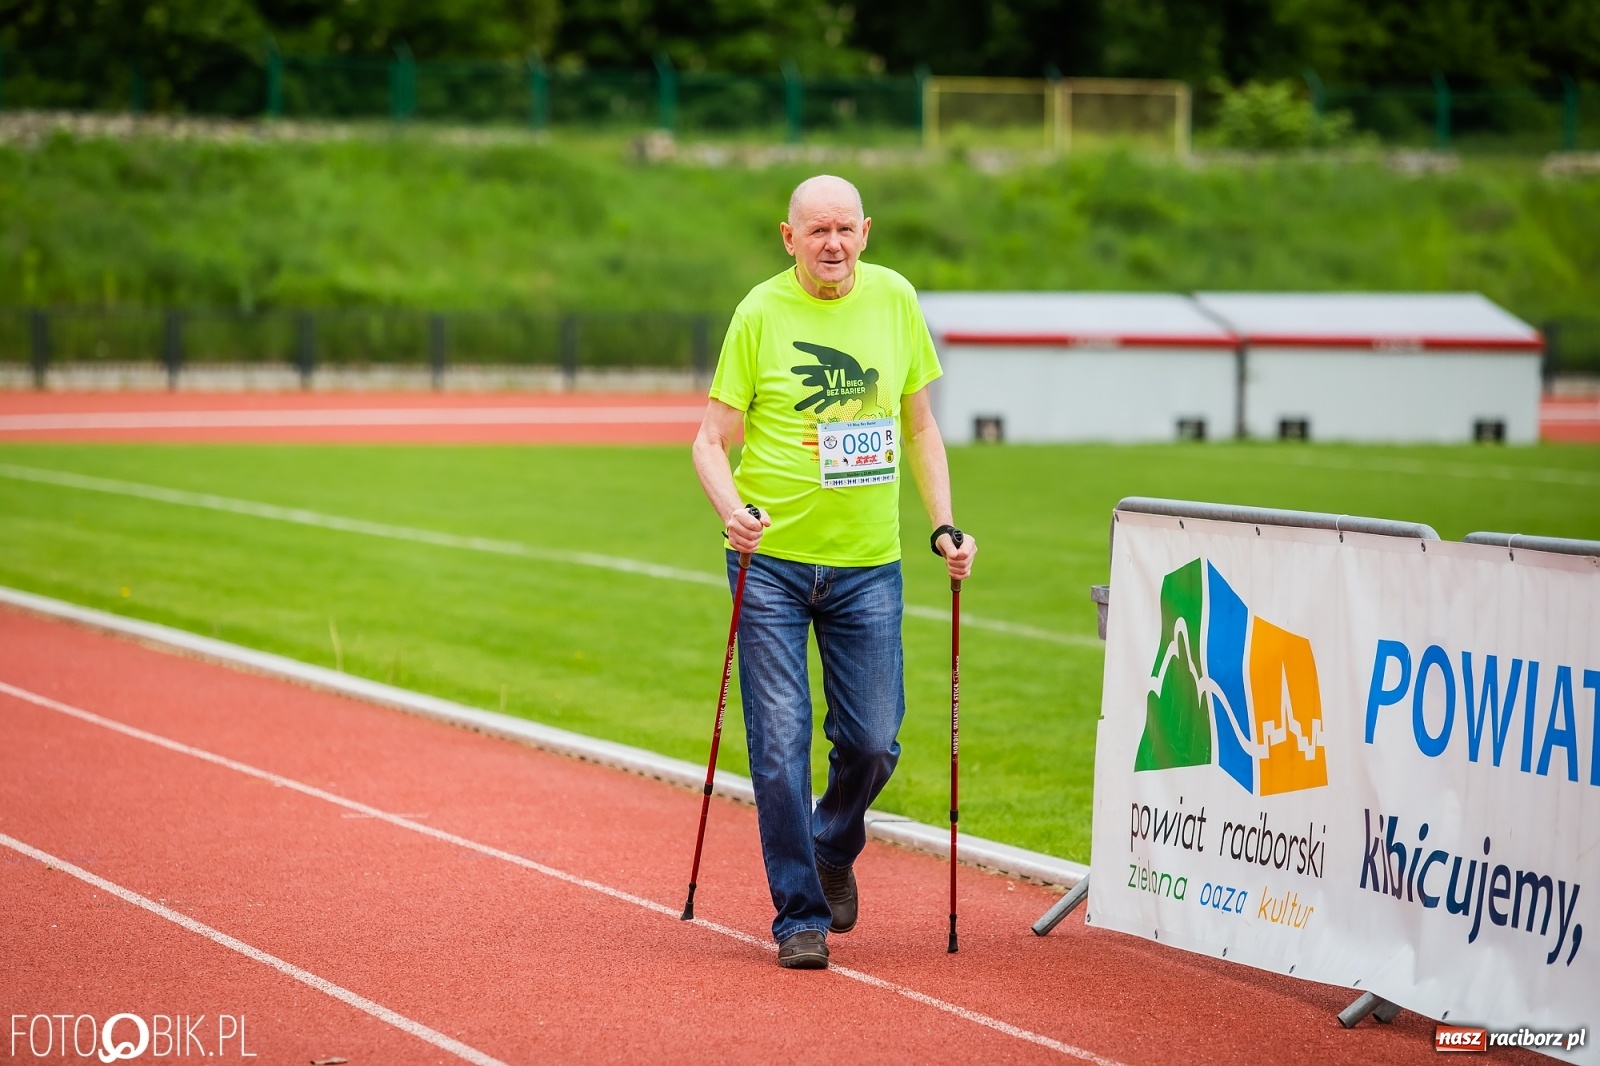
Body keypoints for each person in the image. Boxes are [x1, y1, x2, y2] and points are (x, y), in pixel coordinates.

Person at [691, 174, 977, 969]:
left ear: (866, 231)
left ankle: (830, 843)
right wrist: (732, 511)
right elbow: (709, 440)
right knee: (778, 747)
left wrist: (944, 525)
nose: (833, 243)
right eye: (816, 230)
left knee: (875, 741)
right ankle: (799, 916)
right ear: (789, 238)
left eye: (845, 229)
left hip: (867, 566)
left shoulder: (894, 301)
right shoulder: (759, 312)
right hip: (773, 564)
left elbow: (920, 428)